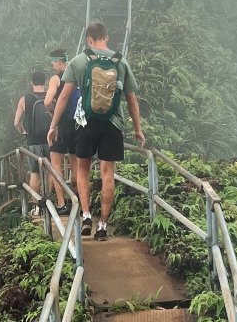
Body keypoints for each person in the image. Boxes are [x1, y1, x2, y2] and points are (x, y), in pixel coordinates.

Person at [48, 22, 144, 240]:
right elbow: (131, 98)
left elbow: (63, 97)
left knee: (82, 170)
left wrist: (53, 126)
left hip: (85, 123)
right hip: (113, 125)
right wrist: (138, 129)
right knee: (107, 173)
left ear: (88, 40)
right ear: (106, 37)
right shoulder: (121, 62)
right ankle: (102, 226)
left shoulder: (79, 61)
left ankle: (87, 215)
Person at [13, 70, 51, 216]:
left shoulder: (24, 99)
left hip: (33, 141)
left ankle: (36, 206)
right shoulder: (50, 96)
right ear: (45, 81)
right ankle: (47, 203)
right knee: (50, 173)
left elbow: (16, 122)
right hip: (50, 139)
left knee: (34, 173)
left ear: (31, 83)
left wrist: (24, 132)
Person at [45, 48, 77, 216]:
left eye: (53, 62)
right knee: (76, 164)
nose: (52, 65)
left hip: (61, 125)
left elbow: (47, 101)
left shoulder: (56, 79)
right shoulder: (76, 76)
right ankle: (79, 203)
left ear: (59, 61)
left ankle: (62, 203)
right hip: (78, 125)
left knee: (56, 164)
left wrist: (53, 116)